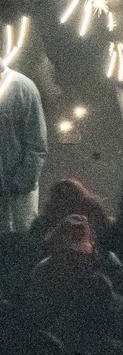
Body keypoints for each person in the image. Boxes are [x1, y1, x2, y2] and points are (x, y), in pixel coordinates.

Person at [0, 60, 46, 232]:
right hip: (18, 191)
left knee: (19, 242)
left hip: (18, 195)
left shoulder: (22, 88)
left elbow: (36, 145)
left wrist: (19, 185)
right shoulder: (23, 87)